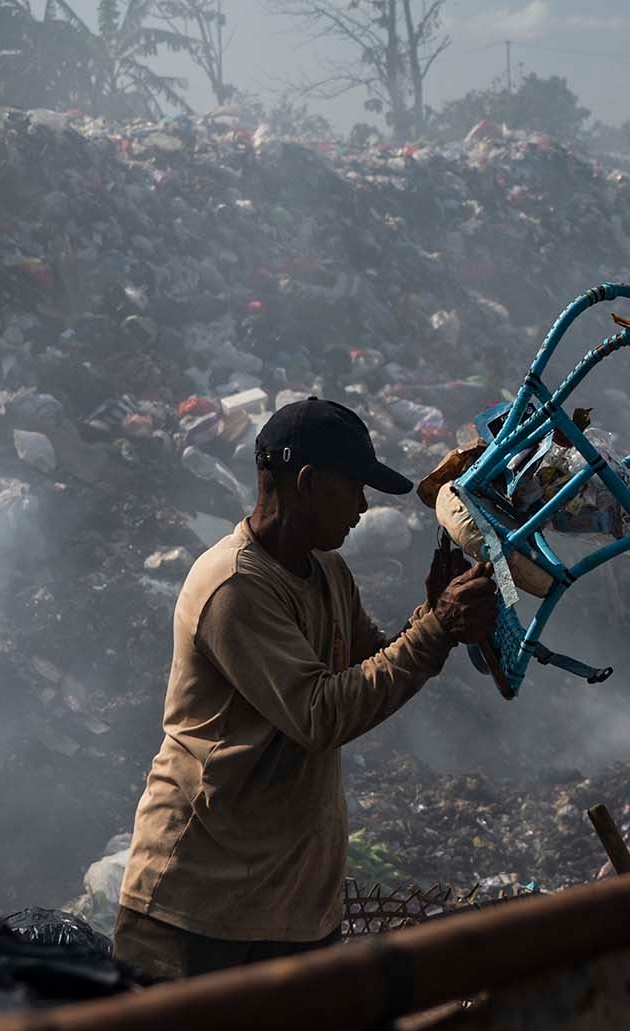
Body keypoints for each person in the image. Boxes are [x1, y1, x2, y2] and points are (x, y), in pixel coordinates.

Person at [114, 397, 499, 983]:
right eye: (354, 491)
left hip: (289, 907)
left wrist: (433, 615)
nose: (363, 508)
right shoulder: (235, 586)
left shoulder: (327, 571)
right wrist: (436, 628)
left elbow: (370, 660)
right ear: (308, 483)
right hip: (198, 908)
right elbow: (320, 713)